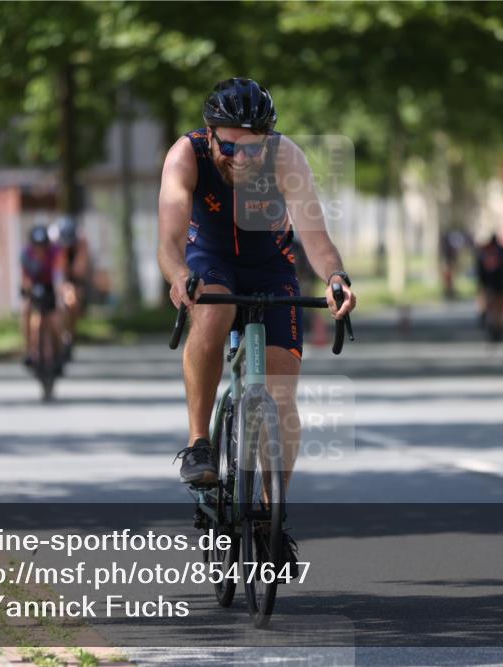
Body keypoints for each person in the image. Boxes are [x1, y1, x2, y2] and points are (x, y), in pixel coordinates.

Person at [157, 78, 357, 568]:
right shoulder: (186, 155)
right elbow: (169, 238)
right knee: (215, 306)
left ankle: (270, 516)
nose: (242, 158)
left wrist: (335, 276)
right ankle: (199, 443)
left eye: (253, 146)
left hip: (271, 267)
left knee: (282, 394)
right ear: (210, 135)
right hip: (210, 261)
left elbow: (315, 234)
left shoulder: (286, 157)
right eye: (229, 146)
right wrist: (180, 275)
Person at [20, 224, 66, 372]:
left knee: (55, 318)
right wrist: (27, 290)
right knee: (26, 311)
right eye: (37, 246)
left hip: (51, 286)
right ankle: (29, 351)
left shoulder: (55, 253)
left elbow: (58, 275)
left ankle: (59, 352)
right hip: (34, 286)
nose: (40, 250)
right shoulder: (26, 255)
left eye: (43, 246)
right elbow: (25, 278)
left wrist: (60, 292)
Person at [55, 216, 92, 357]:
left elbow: (79, 270)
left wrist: (72, 288)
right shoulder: (53, 240)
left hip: (73, 273)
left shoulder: (82, 241)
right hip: (57, 270)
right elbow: (56, 270)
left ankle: (69, 334)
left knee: (73, 301)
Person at [475, 232, 503, 341]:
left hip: (489, 281)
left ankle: (486, 316)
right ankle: (500, 325)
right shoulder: (502, 251)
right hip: (499, 282)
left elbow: (479, 269)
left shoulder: (484, 251)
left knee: (489, 300)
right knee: (500, 304)